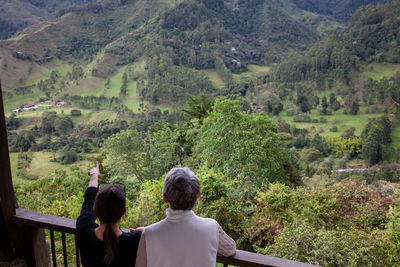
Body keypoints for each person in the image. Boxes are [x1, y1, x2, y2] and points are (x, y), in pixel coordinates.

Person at [135, 167, 236, 267]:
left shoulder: (149, 234)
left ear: (165, 198)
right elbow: (230, 249)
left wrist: (150, 230)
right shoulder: (212, 227)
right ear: (198, 197)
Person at [76, 162, 142, 267]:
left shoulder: (84, 231)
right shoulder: (135, 241)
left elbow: (88, 201)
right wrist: (145, 230)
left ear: (95, 209)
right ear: (124, 211)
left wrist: (94, 176)